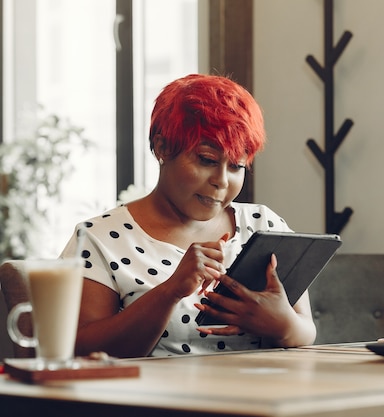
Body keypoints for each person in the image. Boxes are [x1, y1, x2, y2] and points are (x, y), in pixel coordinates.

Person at [61, 74, 317, 357]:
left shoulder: (264, 226)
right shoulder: (99, 239)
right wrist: (170, 291)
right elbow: (81, 350)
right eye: (207, 160)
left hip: (262, 397)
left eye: (236, 166)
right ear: (162, 148)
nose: (221, 180)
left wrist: (282, 324)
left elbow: (306, 329)